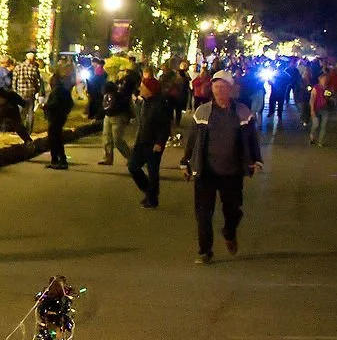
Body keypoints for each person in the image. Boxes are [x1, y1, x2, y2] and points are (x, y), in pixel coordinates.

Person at [182, 71, 263, 264]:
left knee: (233, 210)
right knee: (203, 213)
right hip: (206, 171)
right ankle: (205, 251)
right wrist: (185, 161)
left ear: (231, 89)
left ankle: (229, 232)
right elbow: (193, 140)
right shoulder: (203, 112)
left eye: (223, 87)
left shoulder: (243, 112)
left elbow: (251, 139)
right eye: (216, 86)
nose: (219, 90)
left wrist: (256, 160)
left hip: (232, 172)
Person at [128, 75, 175, 208]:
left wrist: (159, 143)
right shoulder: (144, 102)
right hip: (141, 141)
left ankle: (152, 198)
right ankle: (149, 190)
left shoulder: (159, 104)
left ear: (150, 90)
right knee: (133, 167)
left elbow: (164, 126)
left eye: (143, 87)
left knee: (153, 171)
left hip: (153, 144)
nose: (140, 89)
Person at [101, 63, 138, 167]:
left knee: (118, 140)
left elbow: (123, 96)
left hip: (119, 114)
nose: (121, 73)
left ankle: (131, 157)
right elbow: (106, 90)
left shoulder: (128, 83)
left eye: (124, 71)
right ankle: (107, 158)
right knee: (106, 138)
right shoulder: (115, 82)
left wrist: (119, 82)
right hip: (109, 113)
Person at [42, 61, 75, 169]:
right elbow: (70, 103)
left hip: (56, 116)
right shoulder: (62, 89)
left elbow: (55, 103)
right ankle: (55, 160)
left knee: (55, 139)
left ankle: (60, 160)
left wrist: (46, 106)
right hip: (59, 116)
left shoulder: (58, 91)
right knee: (55, 139)